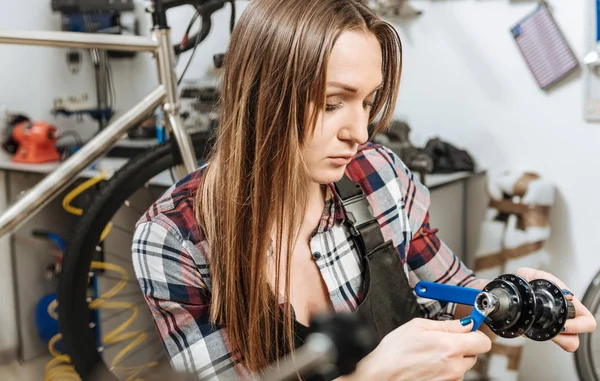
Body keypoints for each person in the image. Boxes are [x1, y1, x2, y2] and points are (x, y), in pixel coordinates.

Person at [132, 0, 596, 380]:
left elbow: (456, 289)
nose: (359, 131)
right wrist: (372, 377)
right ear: (262, 96)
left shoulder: (379, 175)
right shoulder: (176, 238)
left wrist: (513, 300)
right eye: (334, 103)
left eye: (368, 102)